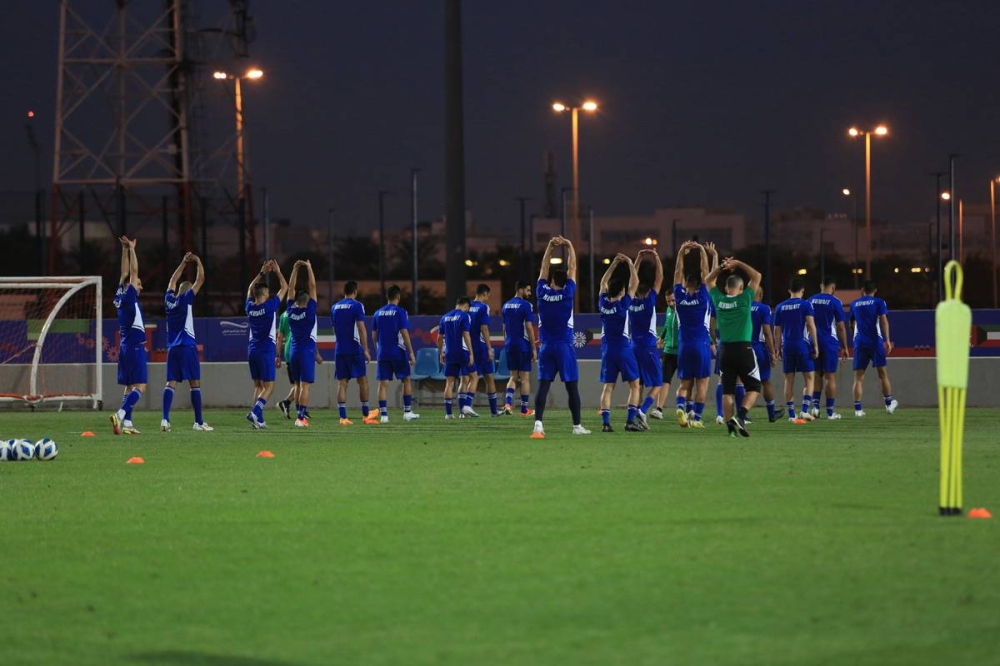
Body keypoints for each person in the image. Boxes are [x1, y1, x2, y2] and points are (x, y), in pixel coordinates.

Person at [532, 236, 590, 438]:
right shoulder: (567, 294)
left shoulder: (541, 292)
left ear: (551, 281)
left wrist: (550, 246)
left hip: (546, 345)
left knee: (543, 386)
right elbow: (573, 266)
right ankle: (577, 426)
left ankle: (538, 425)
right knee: (572, 387)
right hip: (564, 345)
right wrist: (569, 244)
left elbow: (543, 267)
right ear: (566, 282)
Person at [706, 254, 763, 437]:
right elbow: (757, 276)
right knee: (754, 387)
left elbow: (708, 280)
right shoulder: (745, 298)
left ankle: (730, 428)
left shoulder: (718, 300)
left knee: (727, 391)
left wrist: (722, 267)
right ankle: (741, 416)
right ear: (741, 287)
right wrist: (737, 263)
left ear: (726, 288)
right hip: (743, 349)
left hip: (724, 351)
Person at [161, 252, 211, 432]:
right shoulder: (186, 299)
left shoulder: (168, 300)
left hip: (172, 348)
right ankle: (198, 422)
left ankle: (165, 419)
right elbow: (201, 279)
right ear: (189, 292)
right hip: (187, 345)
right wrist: (197, 261)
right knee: (194, 383)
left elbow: (172, 281)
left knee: (171, 383)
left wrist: (183, 262)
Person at [598, 253, 643, 432]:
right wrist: (630, 263)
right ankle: (630, 421)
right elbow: (635, 282)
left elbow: (603, 282)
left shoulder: (603, 304)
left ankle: (606, 424)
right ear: (622, 291)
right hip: (623, 349)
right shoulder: (623, 305)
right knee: (635, 385)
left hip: (607, 350)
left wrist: (614, 264)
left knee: (608, 387)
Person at [672, 240, 714, 428]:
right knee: (702, 384)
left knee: (684, 384)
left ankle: (680, 407)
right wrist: (702, 251)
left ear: (686, 284)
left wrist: (681, 252)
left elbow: (677, 273)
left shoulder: (679, 297)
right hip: (701, 345)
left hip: (684, 346)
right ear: (698, 285)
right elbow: (706, 272)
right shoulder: (703, 296)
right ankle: (696, 419)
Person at [110, 236, 147, 436]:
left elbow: (124, 273)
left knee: (129, 386)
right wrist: (132, 249)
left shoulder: (119, 295)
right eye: (139, 284)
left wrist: (124, 250)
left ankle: (128, 425)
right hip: (134, 346)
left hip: (125, 347)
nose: (140, 286)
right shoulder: (130, 296)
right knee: (141, 386)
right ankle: (120, 415)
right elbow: (132, 272)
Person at [245, 260, 288, 429]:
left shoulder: (249, 307)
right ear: (264, 293)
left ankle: (258, 420)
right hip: (265, 350)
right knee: (269, 386)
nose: (270, 294)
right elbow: (284, 288)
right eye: (268, 292)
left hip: (252, 350)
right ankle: (255, 412)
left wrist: (262, 273)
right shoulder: (270, 307)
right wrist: (277, 271)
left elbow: (250, 289)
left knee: (258, 386)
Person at [773, 277, 819, 422]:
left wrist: (778, 348)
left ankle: (792, 415)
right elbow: (811, 325)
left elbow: (777, 330)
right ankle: (804, 410)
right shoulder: (806, 304)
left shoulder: (780, 307)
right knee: (809, 378)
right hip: (802, 345)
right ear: (802, 290)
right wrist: (815, 345)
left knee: (788, 380)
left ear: (789, 290)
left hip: (787, 347)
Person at [372, 284, 420, 423]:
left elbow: (374, 335)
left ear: (387, 297)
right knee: (406, 380)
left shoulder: (378, 313)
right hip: (398, 351)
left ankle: (384, 416)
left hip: (383, 352)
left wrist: (378, 350)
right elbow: (404, 333)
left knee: (383, 383)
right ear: (398, 297)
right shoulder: (400, 312)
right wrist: (411, 352)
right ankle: (407, 412)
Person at [849, 280, 898, 416]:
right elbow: (884, 320)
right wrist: (887, 340)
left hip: (860, 342)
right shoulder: (879, 302)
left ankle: (858, 410)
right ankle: (888, 404)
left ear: (862, 290)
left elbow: (851, 324)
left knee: (858, 377)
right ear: (875, 290)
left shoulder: (854, 303)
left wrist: (855, 337)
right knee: (882, 374)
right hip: (875, 342)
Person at [331, 281, 376, 425]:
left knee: (342, 383)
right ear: (355, 292)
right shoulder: (357, 305)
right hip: (354, 348)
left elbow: (334, 328)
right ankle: (366, 415)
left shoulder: (334, 307)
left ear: (344, 292)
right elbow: (361, 328)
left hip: (340, 349)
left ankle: (343, 417)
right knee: (362, 380)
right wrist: (366, 349)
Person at [629, 248, 664, 427]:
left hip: (633, 347)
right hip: (648, 347)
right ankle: (642, 411)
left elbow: (631, 280)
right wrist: (656, 257)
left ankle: (633, 416)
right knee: (658, 383)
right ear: (649, 291)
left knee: (638, 384)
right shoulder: (649, 301)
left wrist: (638, 259)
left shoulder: (630, 302)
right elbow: (659, 278)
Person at [808, 277, 850, 419]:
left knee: (817, 375)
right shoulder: (835, 302)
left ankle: (815, 408)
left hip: (813, 341)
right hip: (829, 342)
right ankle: (830, 413)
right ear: (833, 287)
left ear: (821, 285)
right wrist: (845, 346)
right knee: (830, 377)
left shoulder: (810, 300)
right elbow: (840, 326)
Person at [286, 260, 319, 427]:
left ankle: (299, 415)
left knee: (298, 384)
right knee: (305, 385)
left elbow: (290, 289)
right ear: (307, 300)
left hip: (293, 351)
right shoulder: (310, 310)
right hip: (306, 351)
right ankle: (300, 418)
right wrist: (309, 268)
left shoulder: (290, 310)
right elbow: (312, 286)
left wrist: (295, 269)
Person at [275, 310, 323, 420]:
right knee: (302, 384)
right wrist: (317, 354)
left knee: (297, 384)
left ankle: (293, 407)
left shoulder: (284, 315)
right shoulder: (306, 313)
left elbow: (279, 337)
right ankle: (299, 411)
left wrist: (278, 355)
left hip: (289, 351)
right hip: (302, 349)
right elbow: (310, 335)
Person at [501, 280, 537, 417]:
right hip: (522, 344)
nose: (529, 293)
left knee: (513, 376)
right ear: (520, 290)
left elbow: (504, 328)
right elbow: (529, 327)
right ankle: (524, 410)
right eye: (528, 290)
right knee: (525, 378)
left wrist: (507, 342)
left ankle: (508, 404)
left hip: (510, 344)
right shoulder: (526, 305)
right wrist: (533, 347)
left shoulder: (506, 305)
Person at [437, 296, 475, 419]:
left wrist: (441, 352)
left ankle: (448, 414)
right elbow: (466, 335)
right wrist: (471, 353)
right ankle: (464, 409)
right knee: (471, 378)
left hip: (449, 353)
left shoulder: (444, 317)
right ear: (466, 306)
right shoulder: (465, 316)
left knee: (449, 383)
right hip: (462, 352)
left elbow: (439, 338)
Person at [751, 287, 784, 423]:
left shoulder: (742, 306)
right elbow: (767, 332)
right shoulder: (764, 308)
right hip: (759, 348)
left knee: (742, 382)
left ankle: (740, 414)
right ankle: (771, 413)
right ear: (760, 294)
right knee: (765, 381)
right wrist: (773, 352)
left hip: (742, 347)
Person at [466, 283, 499, 417]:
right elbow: (484, 328)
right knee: (489, 377)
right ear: (485, 294)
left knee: (467, 378)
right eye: (488, 295)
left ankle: (464, 409)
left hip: (468, 347)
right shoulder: (484, 307)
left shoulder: (467, 306)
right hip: (480, 347)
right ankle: (493, 411)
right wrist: (489, 348)